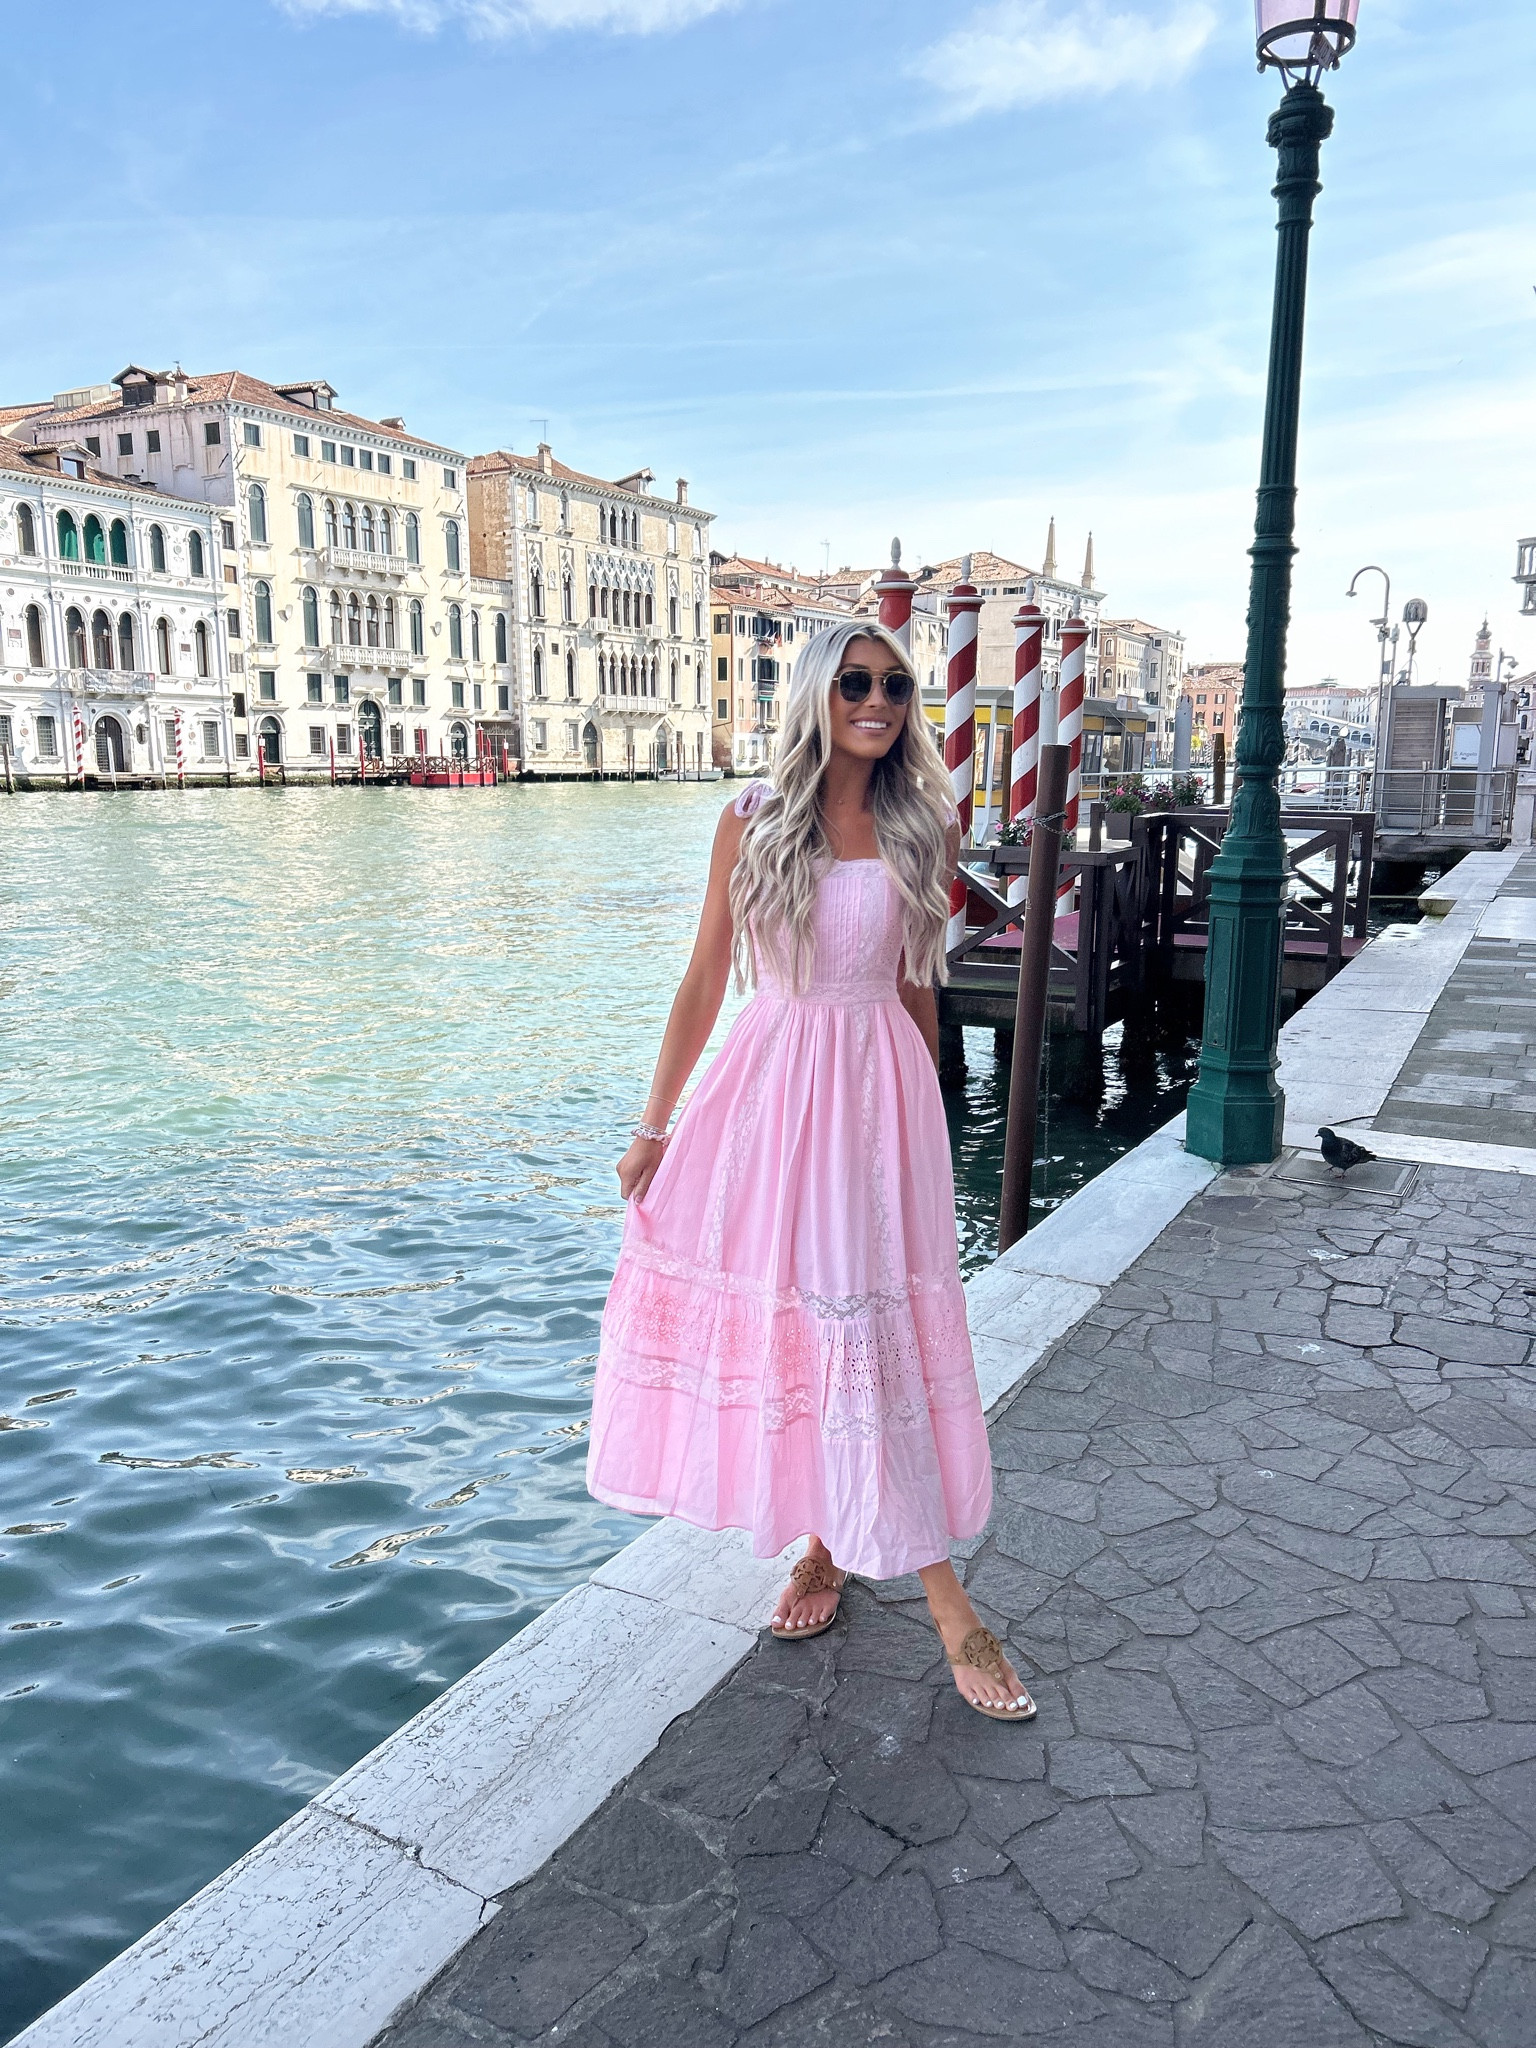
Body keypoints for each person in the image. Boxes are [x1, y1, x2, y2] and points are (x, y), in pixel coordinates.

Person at [586, 622, 1034, 1720]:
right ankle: (874, 1570)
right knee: (817, 1321)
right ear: (815, 693)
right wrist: (654, 1125)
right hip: (772, 1093)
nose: (875, 700)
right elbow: (703, 982)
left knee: (864, 1326)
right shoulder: (750, 818)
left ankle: (903, 1582)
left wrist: (929, 1117)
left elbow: (919, 984)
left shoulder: (927, 820)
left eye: (892, 684)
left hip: (877, 1096)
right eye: (854, 682)